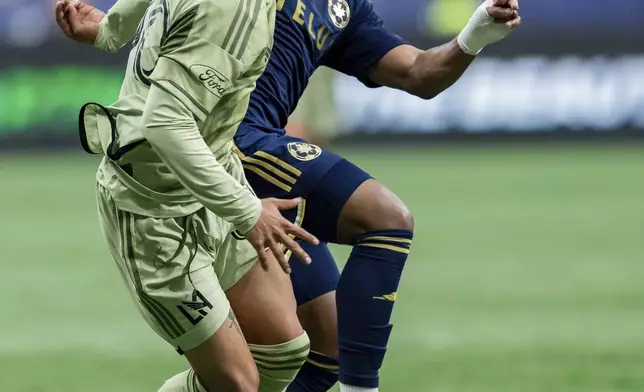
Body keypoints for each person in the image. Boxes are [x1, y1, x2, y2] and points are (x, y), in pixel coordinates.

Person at [233, 0, 522, 391]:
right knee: (385, 217)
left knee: (328, 347)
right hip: (222, 144)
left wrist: (474, 35)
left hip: (258, 142)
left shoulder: (343, 8)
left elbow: (419, 73)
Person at [54, 0, 320, 391]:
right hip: (151, 205)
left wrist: (113, 27)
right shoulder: (232, 10)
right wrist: (249, 212)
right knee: (238, 384)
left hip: (213, 176)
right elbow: (165, 123)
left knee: (283, 351)